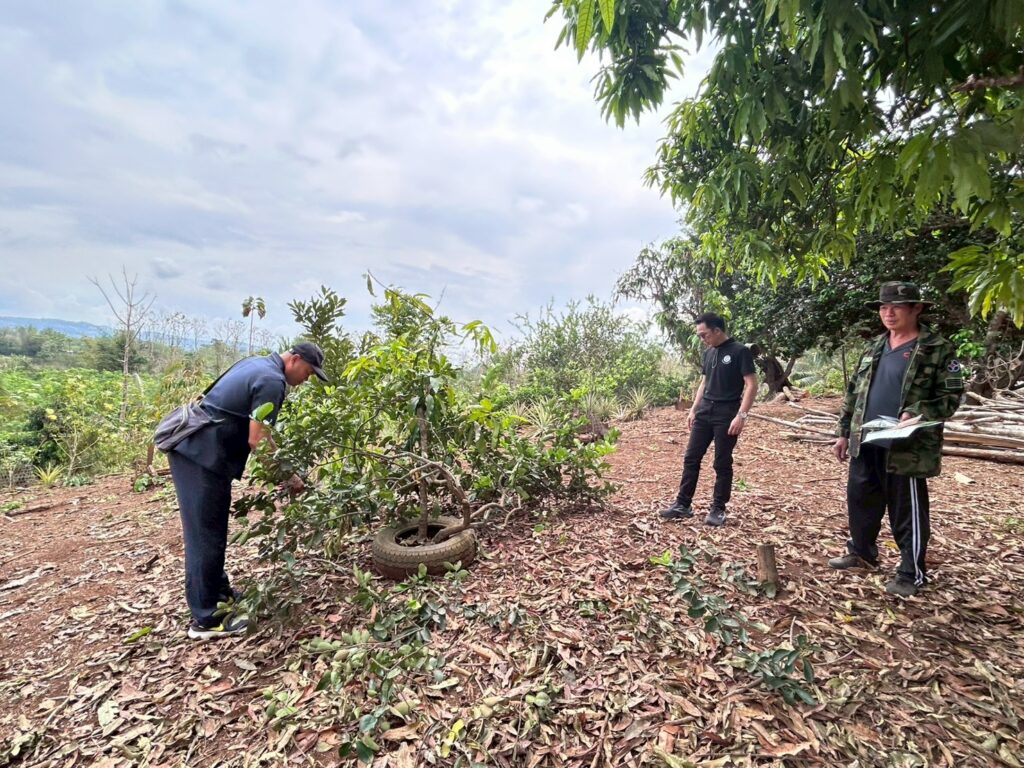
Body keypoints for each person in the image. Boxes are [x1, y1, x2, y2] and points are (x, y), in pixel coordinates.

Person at [166, 342, 328, 639]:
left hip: (201, 454)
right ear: (295, 360)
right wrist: (288, 476)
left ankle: (220, 595)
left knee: (212, 532)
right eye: (308, 372)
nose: (307, 379)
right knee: (205, 536)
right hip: (199, 457)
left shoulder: (257, 364)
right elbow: (259, 441)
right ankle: (206, 619)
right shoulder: (272, 381)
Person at [830, 282, 963, 597]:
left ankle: (911, 572)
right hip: (866, 439)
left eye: (897, 307)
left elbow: (952, 396)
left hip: (907, 447)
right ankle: (862, 553)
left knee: (907, 510)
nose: (888, 313)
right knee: (861, 500)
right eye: (883, 307)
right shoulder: (875, 346)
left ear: (916, 309)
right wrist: (843, 432)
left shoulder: (937, 348)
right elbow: (854, 393)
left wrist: (917, 411)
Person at [660, 312, 758, 527]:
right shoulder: (708, 353)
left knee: (721, 462)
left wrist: (741, 415)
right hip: (705, 411)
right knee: (691, 457)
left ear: (717, 330)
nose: (702, 339)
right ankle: (683, 504)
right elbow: (704, 383)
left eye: (704, 334)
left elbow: (752, 384)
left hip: (727, 413)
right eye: (700, 335)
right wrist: (693, 410)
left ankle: (718, 509)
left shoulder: (740, 351)